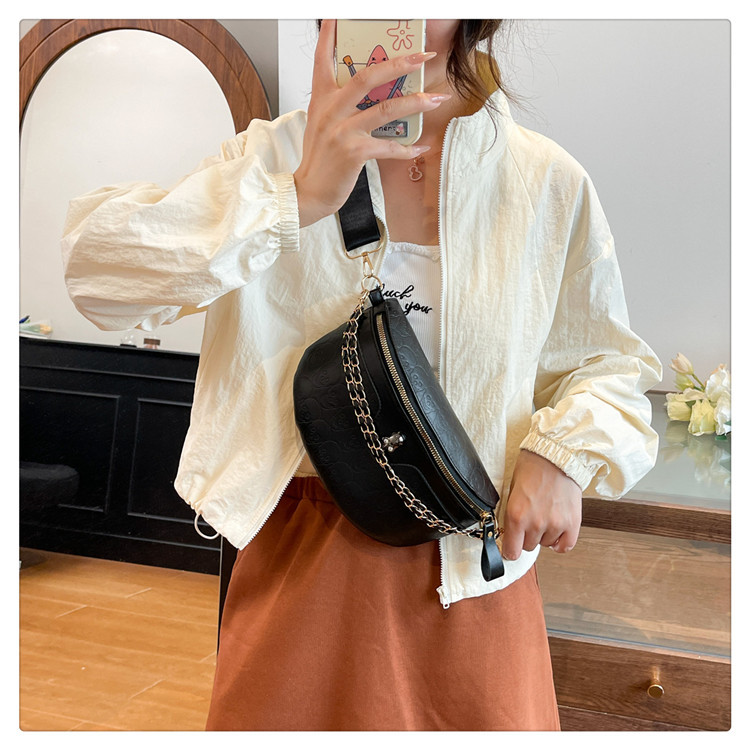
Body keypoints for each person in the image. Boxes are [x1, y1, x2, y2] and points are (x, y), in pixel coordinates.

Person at [61, 19, 662, 731]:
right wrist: (295, 197)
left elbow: (609, 364)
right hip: (306, 562)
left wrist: (562, 455)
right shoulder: (273, 157)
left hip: (477, 567)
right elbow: (96, 273)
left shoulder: (546, 182)